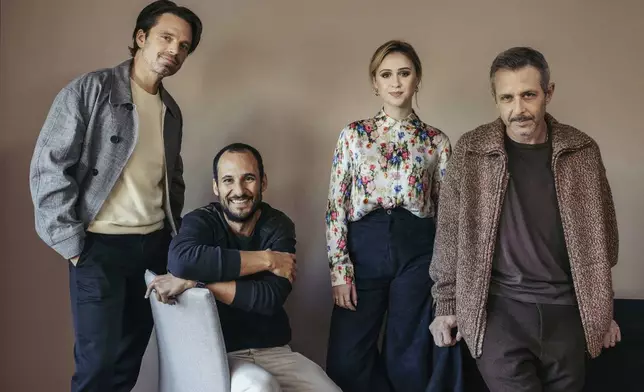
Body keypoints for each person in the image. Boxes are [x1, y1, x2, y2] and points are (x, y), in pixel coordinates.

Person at [28, 1, 201, 390]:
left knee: (128, 361)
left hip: (152, 249)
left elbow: (172, 180)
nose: (175, 50)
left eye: (184, 46)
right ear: (141, 37)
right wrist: (74, 246)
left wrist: (172, 242)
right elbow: (48, 168)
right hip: (98, 249)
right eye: (166, 38)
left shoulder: (171, 111)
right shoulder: (91, 90)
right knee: (97, 366)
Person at [429, 46, 622, 392]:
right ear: (496, 100)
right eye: (507, 98)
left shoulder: (582, 151)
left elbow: (605, 238)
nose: (518, 109)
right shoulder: (471, 151)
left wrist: (601, 311)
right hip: (500, 312)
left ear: (548, 93)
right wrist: (446, 305)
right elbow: (448, 236)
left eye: (528, 95)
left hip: (567, 312)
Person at [146, 143, 341, 392]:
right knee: (260, 387)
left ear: (263, 182)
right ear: (216, 186)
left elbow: (269, 298)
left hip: (275, 351)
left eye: (248, 178)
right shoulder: (201, 221)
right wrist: (267, 259)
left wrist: (198, 283)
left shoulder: (279, 225)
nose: (239, 190)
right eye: (228, 180)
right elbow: (181, 261)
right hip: (221, 354)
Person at [324, 40, 453, 392]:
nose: (395, 82)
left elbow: (447, 215)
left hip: (417, 250)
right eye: (386, 74)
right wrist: (340, 270)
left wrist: (445, 277)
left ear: (417, 79)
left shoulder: (436, 142)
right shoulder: (353, 135)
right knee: (346, 359)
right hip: (364, 247)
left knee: (408, 356)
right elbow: (336, 205)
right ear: (375, 83)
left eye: (404, 73)